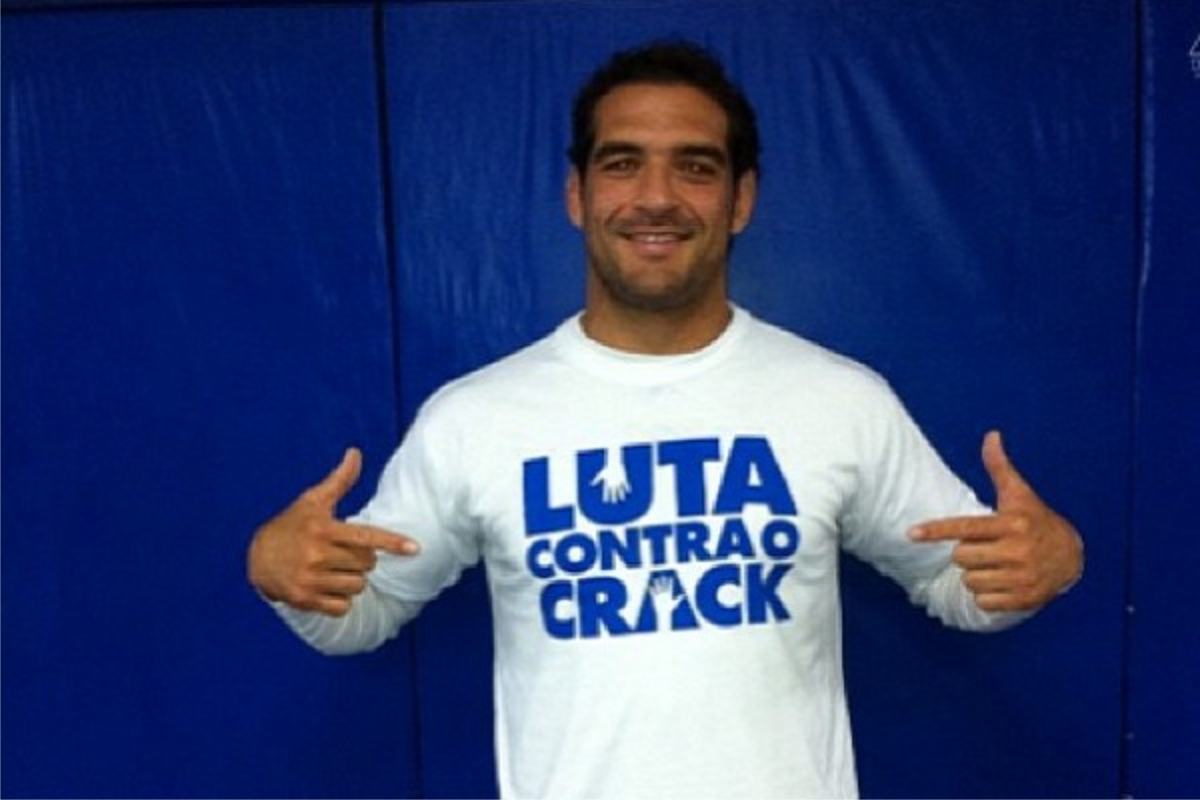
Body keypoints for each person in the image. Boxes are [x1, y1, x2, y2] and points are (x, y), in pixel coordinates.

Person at [247, 40, 1084, 799]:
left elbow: (964, 588)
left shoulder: (839, 399)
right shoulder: (476, 418)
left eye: (695, 167)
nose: (656, 198)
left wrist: (1053, 561)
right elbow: (357, 615)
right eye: (622, 164)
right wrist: (277, 570)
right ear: (577, 195)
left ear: (740, 199)